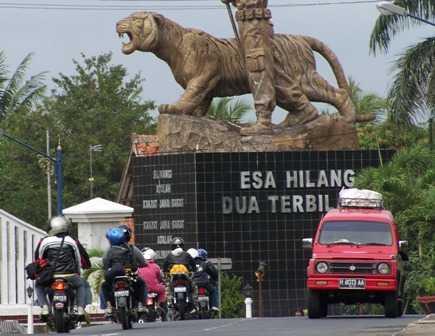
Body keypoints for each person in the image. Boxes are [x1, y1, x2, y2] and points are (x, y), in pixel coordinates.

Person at [222, 0, 275, 135]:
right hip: (246, 20)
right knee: (254, 67)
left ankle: (264, 119)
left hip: (255, 21)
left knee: (258, 66)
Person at [34, 215, 91, 319]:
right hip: (70, 274)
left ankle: (45, 307)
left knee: (38, 285)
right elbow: (78, 258)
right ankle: (80, 309)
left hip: (52, 276)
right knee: (80, 285)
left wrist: (41, 273)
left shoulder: (45, 241)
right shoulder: (71, 240)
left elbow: (39, 258)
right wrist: (77, 272)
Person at [101, 227, 147, 316]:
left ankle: (108, 306)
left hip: (113, 276)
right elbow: (142, 262)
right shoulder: (132, 248)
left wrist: (108, 272)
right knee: (141, 284)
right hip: (129, 275)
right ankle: (141, 304)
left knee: (104, 286)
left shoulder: (109, 251)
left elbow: (105, 264)